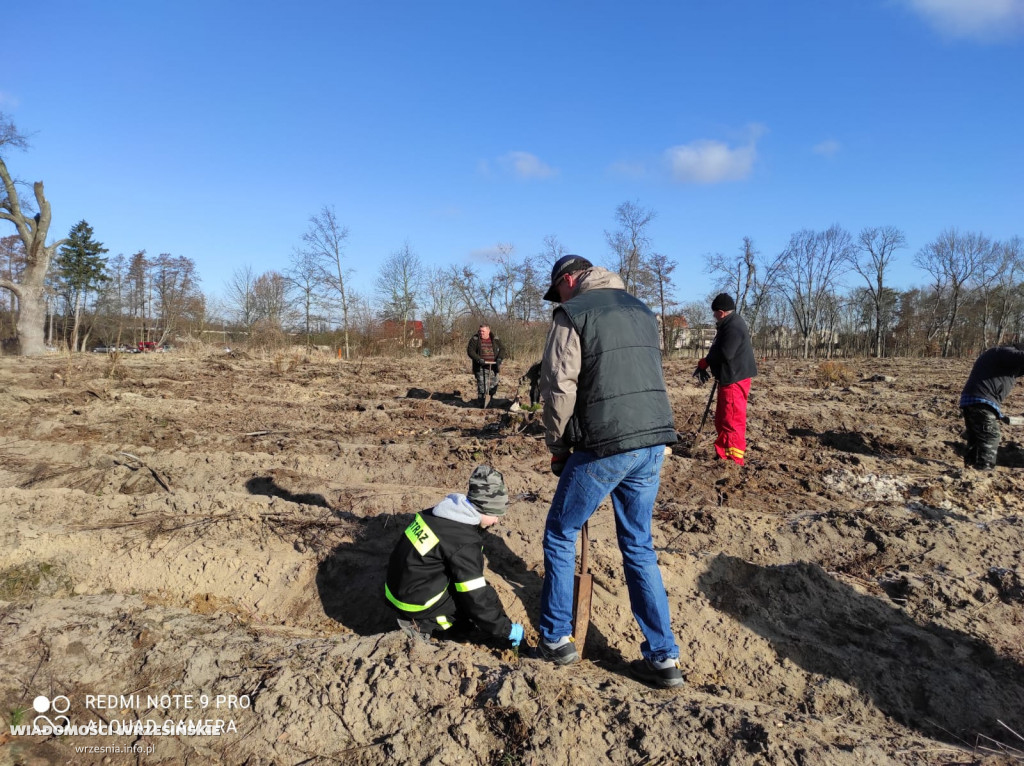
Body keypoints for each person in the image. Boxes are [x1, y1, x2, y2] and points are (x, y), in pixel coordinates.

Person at [536, 254, 682, 689]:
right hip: (653, 439)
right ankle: (663, 659)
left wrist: (558, 446)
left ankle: (556, 638)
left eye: (555, 292)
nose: (554, 301)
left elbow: (559, 384)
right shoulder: (641, 309)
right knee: (638, 544)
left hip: (606, 442)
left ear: (568, 281)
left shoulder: (572, 313)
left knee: (561, 532)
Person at [383, 465, 525, 649]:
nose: (497, 521)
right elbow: (476, 598)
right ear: (484, 508)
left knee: (471, 587)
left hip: (397, 589)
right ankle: (421, 626)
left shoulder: (436, 514)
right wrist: (505, 630)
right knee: (467, 602)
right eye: (495, 514)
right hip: (415, 604)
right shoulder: (464, 543)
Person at [693, 293, 758, 466]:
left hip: (734, 379)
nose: (713, 316)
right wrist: (707, 363)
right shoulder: (727, 325)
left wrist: (707, 361)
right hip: (728, 378)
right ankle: (723, 454)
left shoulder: (734, 326)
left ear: (721, 312)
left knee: (731, 420)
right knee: (722, 418)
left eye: (715, 313)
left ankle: (734, 461)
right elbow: (719, 349)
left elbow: (725, 352)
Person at [958, 343, 1024, 470]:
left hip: (971, 400)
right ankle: (984, 468)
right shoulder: (1004, 352)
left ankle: (970, 468)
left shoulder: (1001, 359)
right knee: (991, 435)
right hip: (982, 400)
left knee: (976, 438)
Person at [467, 324, 505, 408]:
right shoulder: (475, 339)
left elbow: (502, 349)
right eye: (480, 331)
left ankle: (490, 402)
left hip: (493, 367)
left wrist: (499, 358)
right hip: (480, 367)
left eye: (483, 331)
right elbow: (470, 351)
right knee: (482, 387)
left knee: (493, 386)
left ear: (488, 331)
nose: (481, 333)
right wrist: (478, 359)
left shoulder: (495, 339)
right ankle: (481, 403)